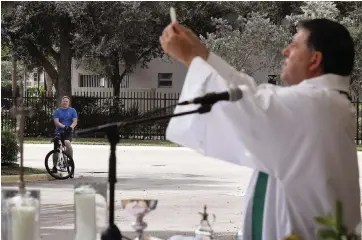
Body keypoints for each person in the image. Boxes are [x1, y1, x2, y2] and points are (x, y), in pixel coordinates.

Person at [160, 18, 361, 239]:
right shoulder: (326, 102)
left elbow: (249, 104)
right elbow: (246, 92)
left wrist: (190, 57)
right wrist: (202, 55)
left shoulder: (317, 104)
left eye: (294, 45)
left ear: (315, 60)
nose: (285, 51)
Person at [51, 96, 78, 173]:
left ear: (68, 103)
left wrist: (70, 127)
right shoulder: (57, 111)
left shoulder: (73, 110)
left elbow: (75, 121)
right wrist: (64, 127)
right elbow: (56, 122)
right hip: (59, 132)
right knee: (56, 149)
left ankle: (70, 161)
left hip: (68, 132)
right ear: (61, 102)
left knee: (67, 143)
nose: (65, 102)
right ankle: (54, 166)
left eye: (66, 101)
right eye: (64, 101)